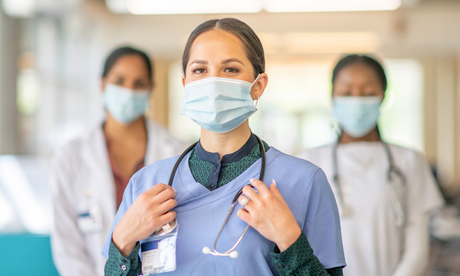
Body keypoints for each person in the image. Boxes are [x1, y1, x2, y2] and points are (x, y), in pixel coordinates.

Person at [102, 18, 346, 276]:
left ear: (258, 85)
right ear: (186, 85)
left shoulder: (304, 182)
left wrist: (290, 241)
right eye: (199, 70)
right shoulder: (146, 184)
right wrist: (123, 241)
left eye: (230, 69)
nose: (213, 83)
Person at [298, 54, 445, 276]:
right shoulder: (307, 161)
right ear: (332, 96)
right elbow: (295, 242)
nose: (357, 100)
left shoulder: (409, 160)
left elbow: (417, 251)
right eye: (347, 93)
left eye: (367, 93)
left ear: (383, 95)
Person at [50, 46, 186, 276]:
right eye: (119, 81)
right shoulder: (71, 156)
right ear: (103, 84)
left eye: (139, 83)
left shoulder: (177, 153)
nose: (129, 91)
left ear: (151, 88)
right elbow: (67, 245)